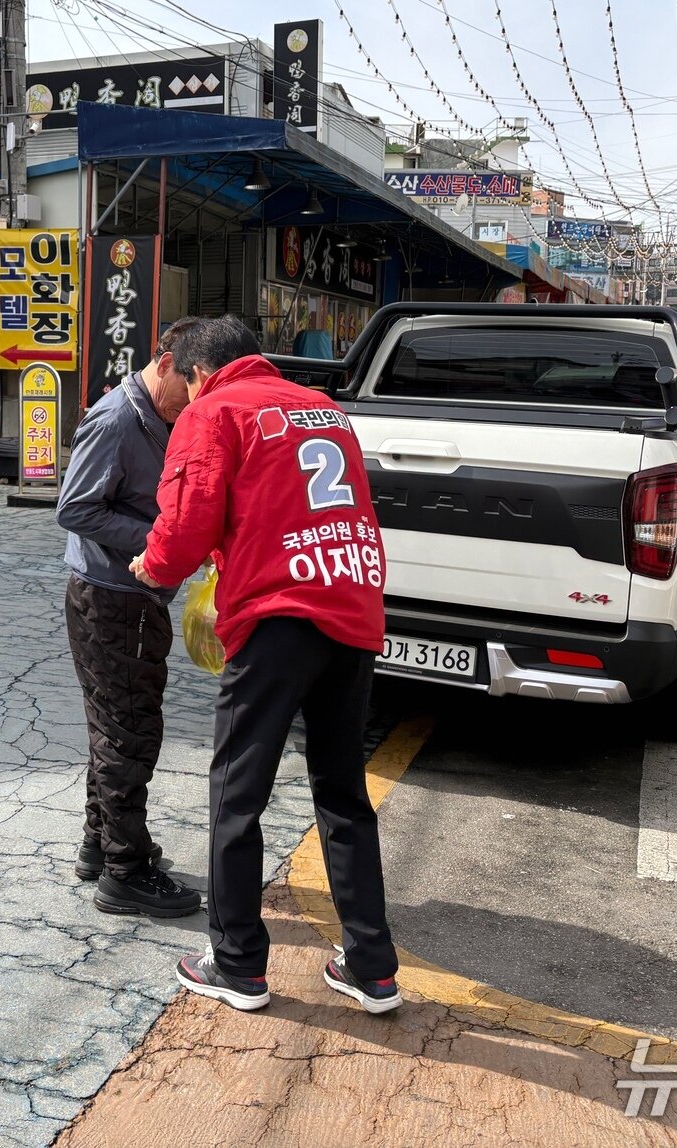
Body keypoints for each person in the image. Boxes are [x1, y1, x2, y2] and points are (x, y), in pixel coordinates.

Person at [130, 315, 402, 1014]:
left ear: (195, 373)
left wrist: (152, 564)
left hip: (279, 619)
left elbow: (187, 522)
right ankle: (372, 969)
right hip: (352, 606)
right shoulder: (325, 410)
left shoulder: (216, 410)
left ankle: (238, 965)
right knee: (343, 792)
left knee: (238, 793)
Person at [56, 317, 204, 919]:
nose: (192, 401)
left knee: (112, 723)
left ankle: (101, 843)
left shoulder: (157, 417)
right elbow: (75, 508)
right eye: (189, 384)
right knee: (130, 731)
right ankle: (126, 871)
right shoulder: (117, 419)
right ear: (164, 363)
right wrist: (161, 539)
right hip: (113, 597)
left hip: (130, 597)